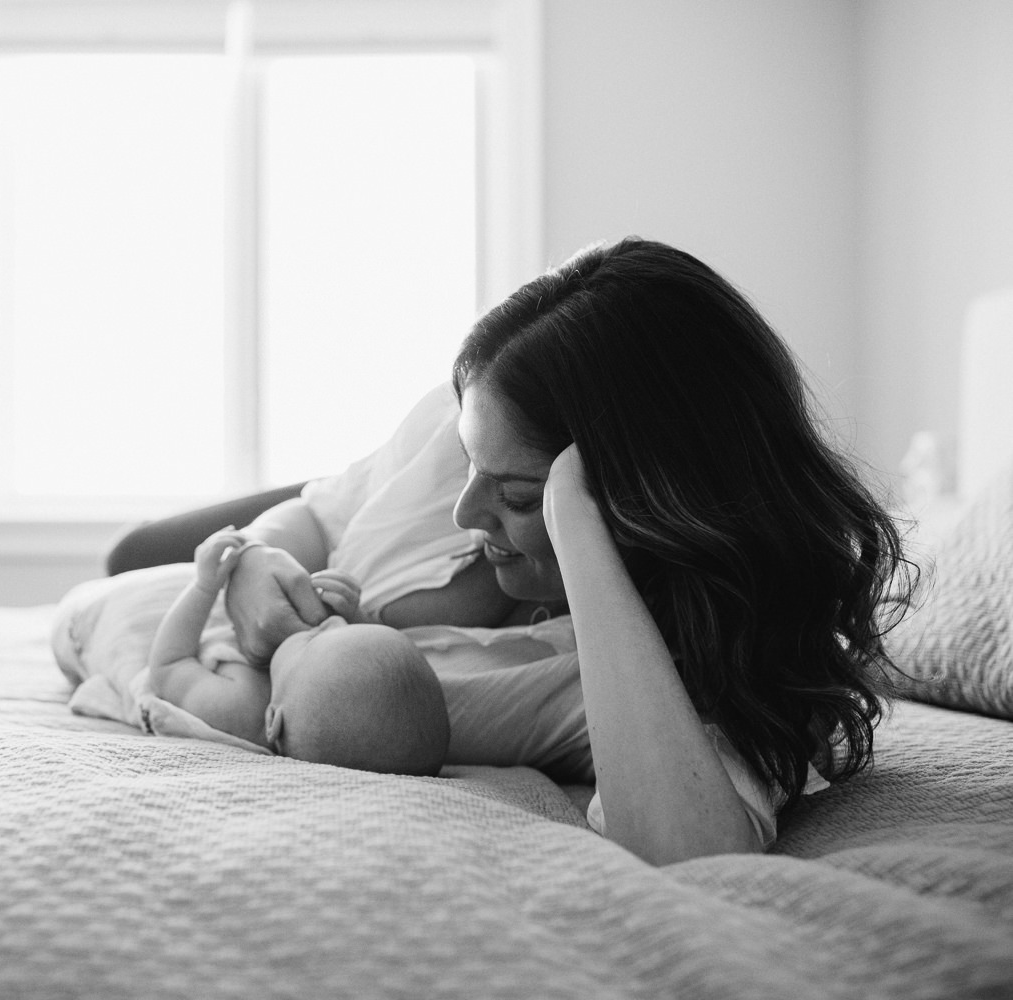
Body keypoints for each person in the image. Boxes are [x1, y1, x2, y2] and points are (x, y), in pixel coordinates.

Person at [218, 238, 911, 864]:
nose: (466, 512)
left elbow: (686, 849)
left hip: (184, 656)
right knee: (135, 550)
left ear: (653, 502)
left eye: (519, 497)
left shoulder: (723, 664)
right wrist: (248, 558)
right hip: (209, 586)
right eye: (471, 469)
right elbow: (315, 512)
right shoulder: (484, 421)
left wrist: (575, 525)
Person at [145, 527, 450, 777]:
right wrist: (356, 614)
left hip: (168, 634)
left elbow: (169, 664)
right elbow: (361, 666)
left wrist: (203, 587)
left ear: (273, 721)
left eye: (312, 639)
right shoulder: (309, 691)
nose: (333, 620)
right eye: (346, 628)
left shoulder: (236, 709)